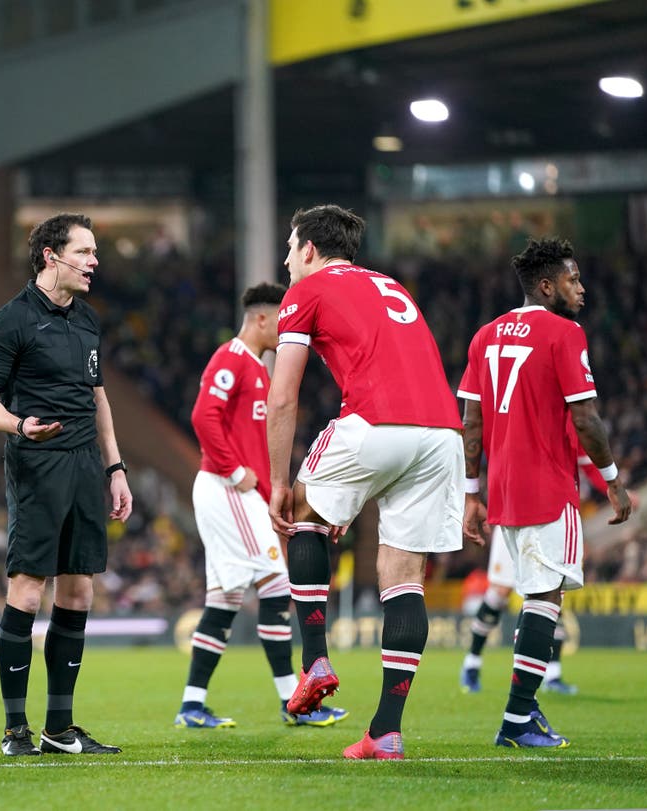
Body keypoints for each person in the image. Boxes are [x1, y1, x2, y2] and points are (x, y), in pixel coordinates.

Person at [266, 204, 464, 761]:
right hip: (441, 435)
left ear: (308, 250)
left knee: (301, 513)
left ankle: (313, 661)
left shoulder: (306, 291)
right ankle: (385, 731)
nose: (286, 260)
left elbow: (282, 395)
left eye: (289, 247)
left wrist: (279, 483)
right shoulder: (389, 284)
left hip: (378, 421)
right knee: (404, 579)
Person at [458, 237, 631, 748]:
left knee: (536, 597)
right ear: (547, 285)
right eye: (573, 279)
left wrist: (472, 493)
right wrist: (614, 480)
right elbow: (586, 417)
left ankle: (521, 712)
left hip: (505, 490)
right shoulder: (564, 333)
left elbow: (471, 423)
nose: (581, 288)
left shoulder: (484, 335)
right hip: (548, 485)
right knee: (543, 600)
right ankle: (516, 718)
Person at [0, 212, 133, 757]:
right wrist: (19, 426)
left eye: (94, 253)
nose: (94, 262)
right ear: (51, 256)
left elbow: (97, 396)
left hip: (87, 461)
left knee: (80, 587)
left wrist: (115, 467)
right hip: (39, 462)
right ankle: (16, 729)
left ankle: (59, 728)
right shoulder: (10, 321)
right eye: (84, 252)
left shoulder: (86, 319)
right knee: (28, 586)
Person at [174, 282, 348, 731]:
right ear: (261, 319)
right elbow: (202, 416)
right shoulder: (231, 359)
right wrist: (236, 471)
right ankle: (295, 701)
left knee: (227, 598)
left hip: (234, 492)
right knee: (275, 583)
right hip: (225, 488)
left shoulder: (257, 368)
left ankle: (192, 705)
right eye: (281, 320)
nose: (285, 329)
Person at [460, 453, 617, 695]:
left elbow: (584, 456)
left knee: (553, 591)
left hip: (552, 510)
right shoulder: (516, 418)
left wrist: (611, 484)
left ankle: (552, 674)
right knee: (500, 592)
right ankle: (472, 662)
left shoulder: (567, 417)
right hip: (513, 508)